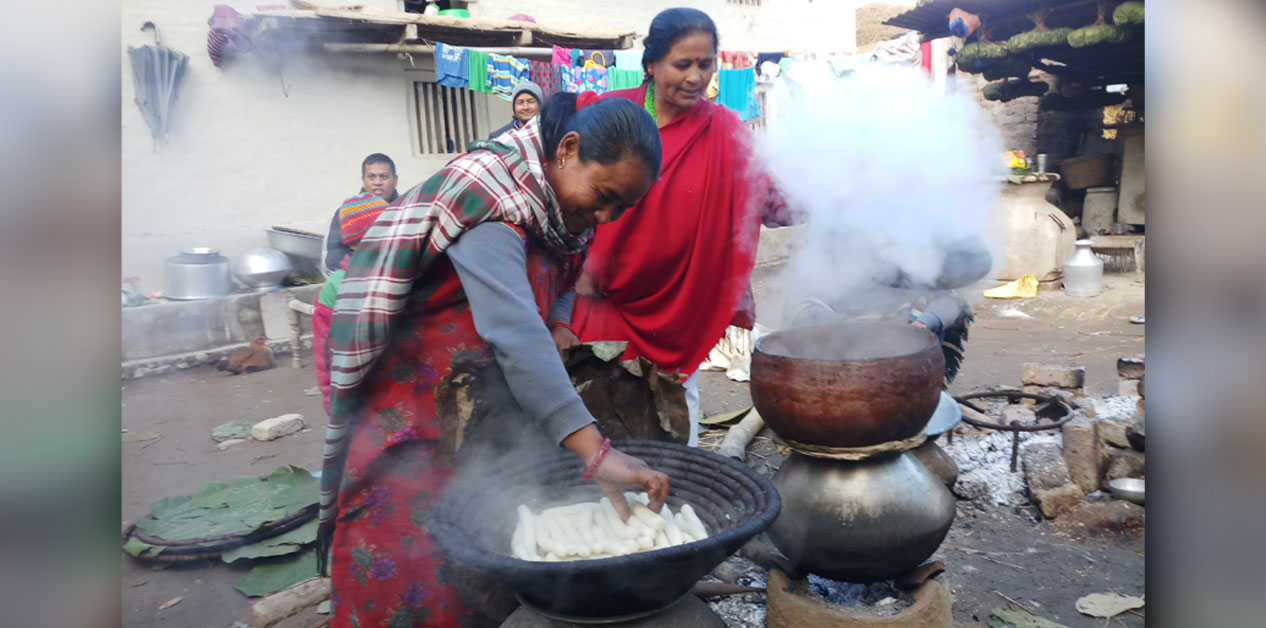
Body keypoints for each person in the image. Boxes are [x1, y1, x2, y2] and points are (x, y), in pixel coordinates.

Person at [318, 92, 669, 627]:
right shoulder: (492, 202)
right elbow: (513, 331)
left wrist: (560, 322)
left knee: (478, 558)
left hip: (480, 416)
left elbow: (564, 272)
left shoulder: (559, 207)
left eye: (620, 208)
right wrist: (597, 455)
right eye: (604, 197)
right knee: (408, 564)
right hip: (415, 416)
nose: (604, 216)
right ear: (568, 149)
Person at [569, 8, 793, 445]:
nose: (695, 77)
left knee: (673, 434)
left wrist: (835, 191)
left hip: (679, 310)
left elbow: (769, 198)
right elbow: (561, 188)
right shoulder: (606, 113)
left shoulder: (726, 130)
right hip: (597, 300)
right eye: (682, 64)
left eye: (705, 64)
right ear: (651, 64)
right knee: (595, 420)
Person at [320, 154, 400, 276]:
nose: (377, 182)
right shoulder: (347, 213)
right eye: (371, 177)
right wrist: (362, 272)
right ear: (363, 180)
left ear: (395, 180)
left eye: (384, 177)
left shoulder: (406, 208)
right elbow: (334, 255)